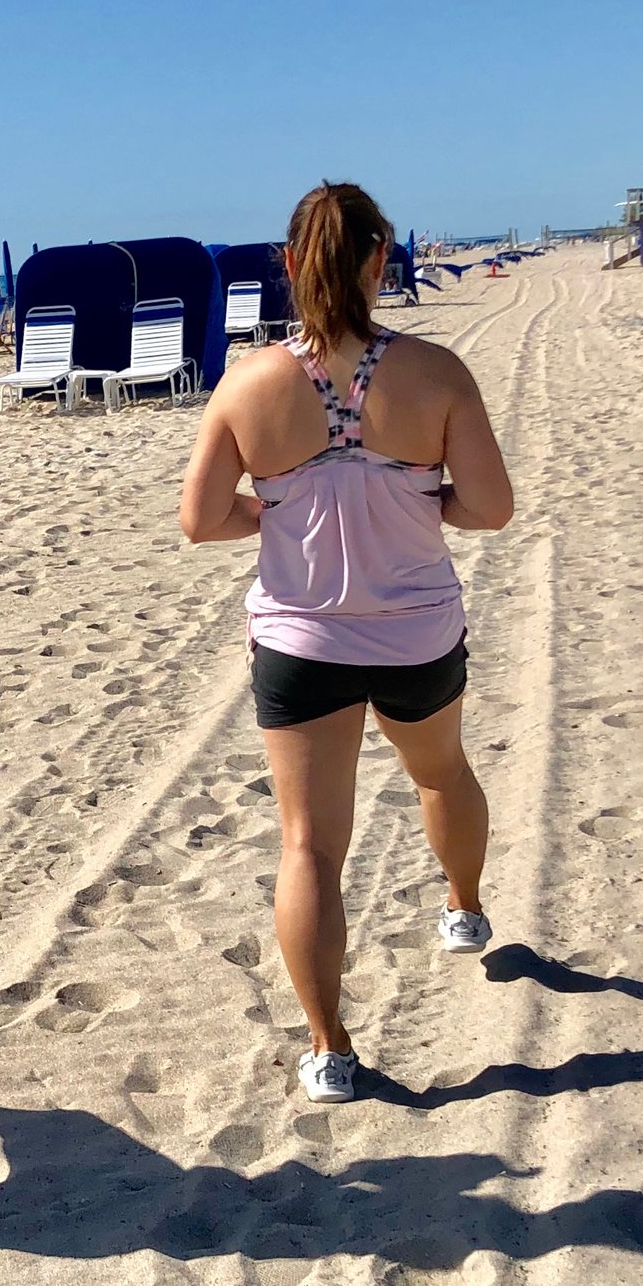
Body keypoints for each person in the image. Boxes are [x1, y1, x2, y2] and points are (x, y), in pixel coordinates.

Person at [178, 182, 514, 1106]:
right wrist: (419, 498)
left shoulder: (249, 385)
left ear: (287, 265)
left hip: (302, 642)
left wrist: (278, 509)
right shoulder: (438, 373)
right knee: (440, 773)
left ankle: (329, 1049)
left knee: (309, 847)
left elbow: (201, 520)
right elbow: (491, 507)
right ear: (380, 261)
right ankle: (462, 910)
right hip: (414, 633)